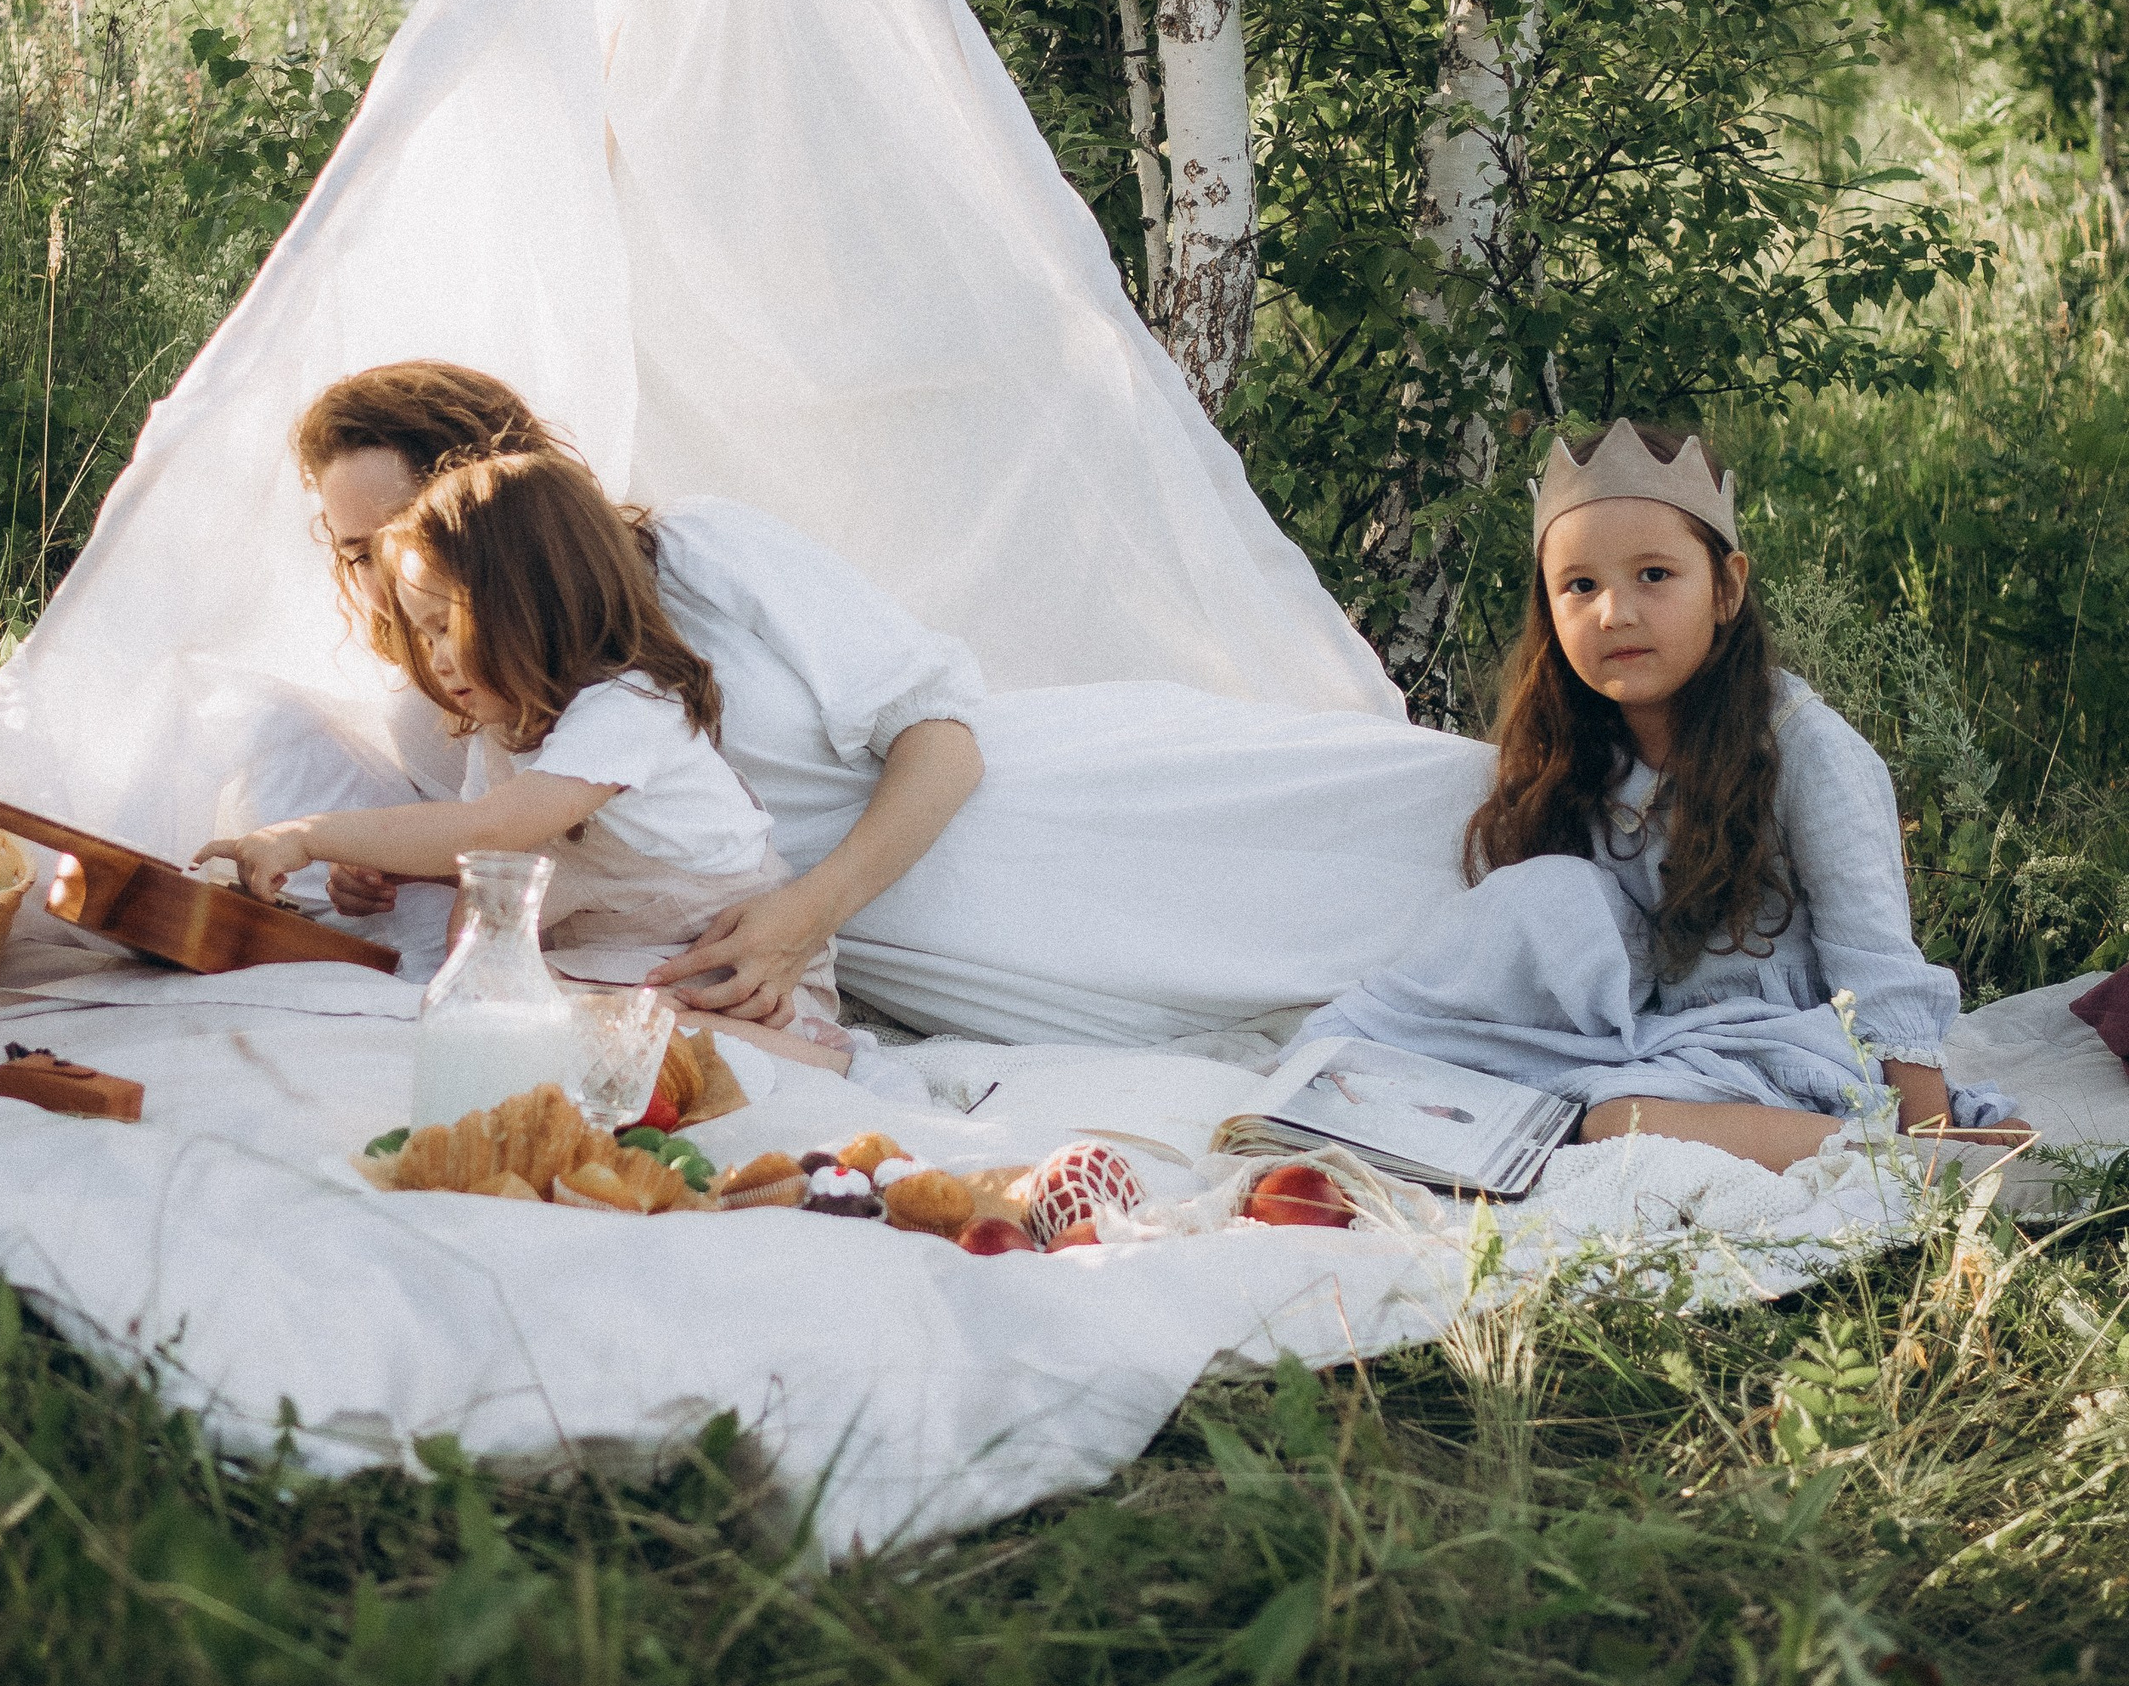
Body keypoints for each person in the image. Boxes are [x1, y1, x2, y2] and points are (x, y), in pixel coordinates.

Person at [265, 361, 1492, 1050]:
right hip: (934, 952)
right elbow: (546, 856)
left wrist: (808, 909)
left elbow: (939, 737)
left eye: (392, 532)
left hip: (1021, 811)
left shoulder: (702, 552)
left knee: (1423, 829)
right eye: (353, 548)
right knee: (1387, 996)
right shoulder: (456, 704)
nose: (379, 574)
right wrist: (393, 873)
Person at [1295, 421, 2024, 1174]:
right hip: (1661, 1043)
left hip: (1797, 1046)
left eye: (1653, 575)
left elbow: (1876, 959)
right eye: (1580, 585)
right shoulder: (1580, 751)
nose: (1614, 612)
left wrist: (1931, 1123)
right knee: (1535, 948)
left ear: (1726, 586)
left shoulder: (1803, 747)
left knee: (1618, 1122)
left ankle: (1911, 1163)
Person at [197, 450, 850, 1070]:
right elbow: (486, 858)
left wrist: (309, 835)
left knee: (567, 1023)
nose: (438, 658)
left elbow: (492, 827)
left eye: (448, 626)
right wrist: (394, 868)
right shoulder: (504, 733)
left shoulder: (626, 709)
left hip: (734, 974)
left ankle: (818, 1058)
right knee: (495, 986)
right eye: (425, 636)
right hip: (631, 956)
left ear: (537, 603)